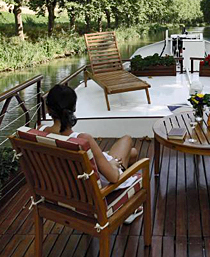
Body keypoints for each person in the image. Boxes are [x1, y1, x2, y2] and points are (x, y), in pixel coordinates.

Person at [43, 84, 143, 222]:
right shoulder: (83, 140)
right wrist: (112, 164)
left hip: (70, 190)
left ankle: (117, 161)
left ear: (48, 109)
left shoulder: (41, 135)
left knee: (132, 152)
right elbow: (113, 178)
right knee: (127, 140)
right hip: (99, 190)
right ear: (73, 109)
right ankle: (128, 207)